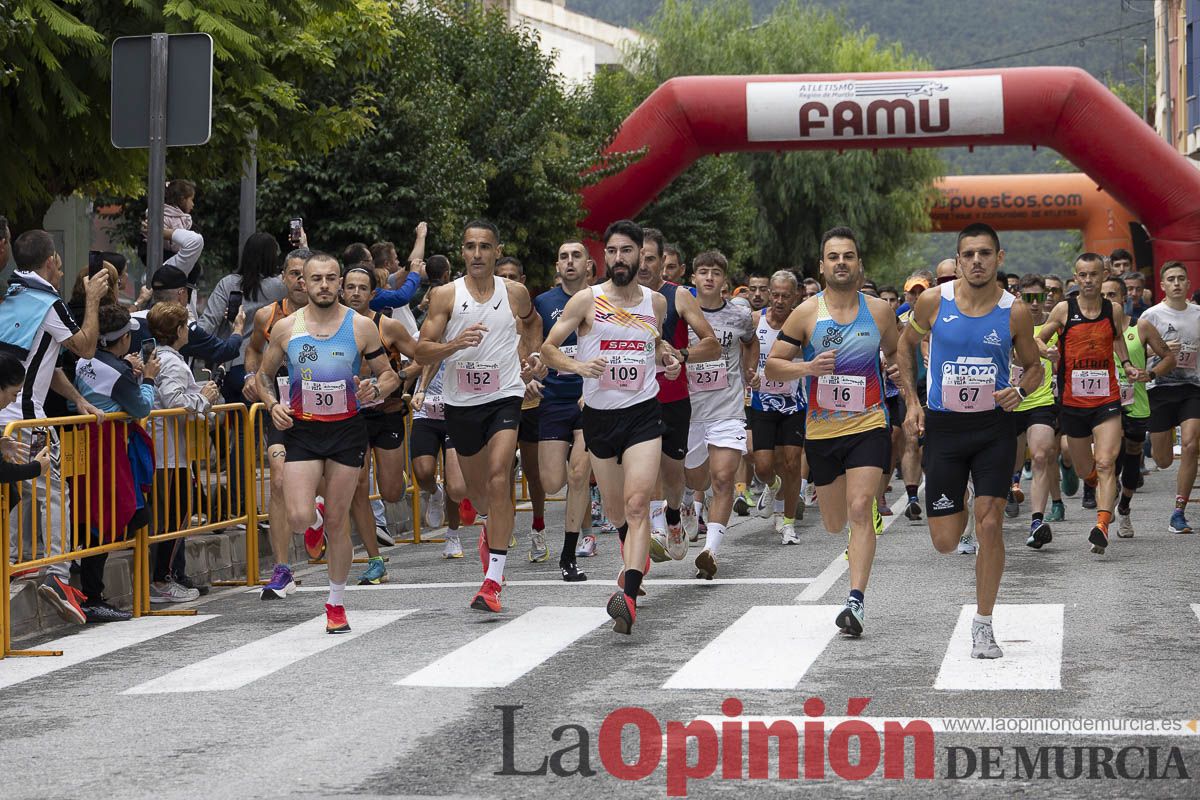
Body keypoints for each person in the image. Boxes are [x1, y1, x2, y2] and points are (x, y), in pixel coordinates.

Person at [898, 223, 1043, 659]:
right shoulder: (932, 302)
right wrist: (911, 402)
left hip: (994, 427)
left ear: (999, 258)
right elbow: (905, 348)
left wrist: (1019, 391)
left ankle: (983, 623)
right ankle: (959, 494)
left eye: (985, 253)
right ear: (958, 260)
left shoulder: (1014, 311)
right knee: (945, 540)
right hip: (944, 427)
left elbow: (1033, 367)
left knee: (991, 522)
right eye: (968, 254)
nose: (977, 261)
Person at [766, 226, 909, 638]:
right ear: (822, 265)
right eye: (834, 257)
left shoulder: (880, 311)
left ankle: (855, 602)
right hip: (823, 430)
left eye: (848, 256)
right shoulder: (806, 313)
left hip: (869, 423)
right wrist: (807, 368)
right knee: (834, 522)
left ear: (859, 264)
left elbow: (895, 353)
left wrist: (899, 379)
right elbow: (773, 364)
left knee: (861, 507)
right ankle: (853, 529)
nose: (841, 263)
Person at [541, 219, 682, 634]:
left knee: (639, 505)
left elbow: (653, 346)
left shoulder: (656, 303)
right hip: (599, 418)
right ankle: (635, 555)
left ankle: (630, 595)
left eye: (627, 251)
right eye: (612, 252)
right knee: (619, 511)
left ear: (641, 254)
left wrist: (667, 360)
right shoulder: (587, 300)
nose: (619, 259)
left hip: (642, 413)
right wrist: (578, 365)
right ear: (604, 257)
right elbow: (549, 349)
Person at [256, 252, 401, 633]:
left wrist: (375, 389)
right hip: (302, 429)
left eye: (330, 278)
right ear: (303, 282)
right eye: (315, 278)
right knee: (300, 515)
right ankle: (313, 517)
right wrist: (272, 405)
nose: (323, 285)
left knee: (339, 520)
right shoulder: (287, 328)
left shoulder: (361, 327)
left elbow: (389, 376)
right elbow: (262, 375)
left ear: (339, 283)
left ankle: (335, 604)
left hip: (346, 430)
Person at [415, 220, 544, 614]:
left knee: (499, 475)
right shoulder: (445, 296)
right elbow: (422, 351)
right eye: (470, 247)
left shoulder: (515, 292)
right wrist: (455, 343)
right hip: (461, 403)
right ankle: (490, 527)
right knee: (475, 494)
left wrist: (532, 356)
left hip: (505, 395)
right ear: (462, 252)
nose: (476, 254)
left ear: (496, 250)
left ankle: (493, 580)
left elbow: (532, 322)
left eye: (484, 247)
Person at [0, 229, 110, 625]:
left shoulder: (11, 297)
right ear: (49, 263)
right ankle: (59, 574)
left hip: (6, 415)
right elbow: (84, 346)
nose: (62, 274)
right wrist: (93, 300)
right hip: (27, 418)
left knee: (14, 491)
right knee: (54, 492)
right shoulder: (48, 301)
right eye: (60, 266)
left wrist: (78, 399)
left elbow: (43, 360)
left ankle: (12, 561)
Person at [1038, 253, 1140, 554]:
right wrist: (1047, 352)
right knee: (1086, 470)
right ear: (1075, 276)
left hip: (1107, 399)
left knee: (1107, 462)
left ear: (1103, 275)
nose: (1088, 280)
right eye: (1082, 275)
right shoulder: (1063, 309)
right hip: (1072, 402)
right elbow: (1037, 339)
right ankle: (1098, 486)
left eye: (1094, 274)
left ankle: (1102, 525)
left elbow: (1118, 338)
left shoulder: (1113, 308)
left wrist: (1126, 363)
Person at [636, 227, 718, 564]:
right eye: (635, 256)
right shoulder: (612, 299)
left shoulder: (678, 296)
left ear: (662, 262)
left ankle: (673, 515)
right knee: (645, 468)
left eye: (650, 258)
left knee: (674, 475)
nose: (641, 264)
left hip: (673, 399)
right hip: (634, 400)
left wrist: (681, 356)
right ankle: (649, 538)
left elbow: (711, 344)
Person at [72, 303, 158, 621]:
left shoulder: (83, 361)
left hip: (85, 442)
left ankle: (92, 589)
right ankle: (93, 595)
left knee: (95, 516)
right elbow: (141, 408)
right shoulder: (118, 371)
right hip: (107, 449)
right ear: (121, 340)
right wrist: (147, 379)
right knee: (108, 519)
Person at [341, 265, 418, 584]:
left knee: (390, 493)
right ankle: (374, 560)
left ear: (373, 294)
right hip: (351, 416)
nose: (356, 292)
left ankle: (395, 470)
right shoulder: (332, 328)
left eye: (362, 287)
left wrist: (397, 379)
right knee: (358, 485)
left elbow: (422, 358)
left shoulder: (388, 327)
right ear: (342, 291)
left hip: (386, 412)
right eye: (351, 287)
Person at [681, 250, 756, 579]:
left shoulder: (739, 316)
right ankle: (684, 502)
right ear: (693, 278)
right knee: (696, 480)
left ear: (725, 281)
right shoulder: (680, 313)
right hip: (690, 410)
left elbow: (751, 343)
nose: (709, 277)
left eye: (716, 272)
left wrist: (750, 369)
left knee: (724, 478)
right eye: (703, 272)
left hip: (727, 407)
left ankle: (710, 551)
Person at [243, 249, 311, 600]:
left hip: (328, 414)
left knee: (331, 483)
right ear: (283, 278)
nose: (300, 281)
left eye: (306, 274)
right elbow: (254, 352)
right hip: (283, 410)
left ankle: (319, 516)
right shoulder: (267, 316)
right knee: (279, 479)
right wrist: (251, 377)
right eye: (294, 274)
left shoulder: (336, 317)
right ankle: (283, 569)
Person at [146, 302, 220, 603]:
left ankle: (168, 575)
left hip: (168, 450)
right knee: (174, 517)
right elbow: (174, 400)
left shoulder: (159, 357)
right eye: (185, 327)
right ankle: (162, 579)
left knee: (172, 515)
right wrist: (203, 398)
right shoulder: (172, 363)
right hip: (167, 453)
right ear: (178, 331)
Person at [533, 240, 596, 579]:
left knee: (578, 475)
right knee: (553, 481)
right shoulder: (543, 302)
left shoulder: (601, 299)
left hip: (590, 398)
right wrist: (530, 370)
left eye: (576, 256)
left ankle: (568, 555)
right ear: (556, 266)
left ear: (588, 264)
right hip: (553, 400)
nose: (570, 262)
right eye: (563, 257)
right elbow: (532, 348)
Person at [1102, 277, 1175, 538]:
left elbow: (1168, 357)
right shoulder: (1093, 328)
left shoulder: (1140, 326)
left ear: (1124, 299)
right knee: (1109, 458)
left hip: (1136, 401)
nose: (1107, 300)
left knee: (1132, 455)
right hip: (1105, 402)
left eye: (1112, 295)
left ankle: (1124, 507)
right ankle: (1105, 509)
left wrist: (1151, 373)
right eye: (1103, 295)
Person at [495, 256, 550, 561]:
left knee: (533, 470)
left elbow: (536, 354)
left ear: (523, 280)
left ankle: (539, 527)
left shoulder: (532, 316)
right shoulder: (486, 311)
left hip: (528, 401)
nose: (507, 282)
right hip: (497, 400)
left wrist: (530, 372)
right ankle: (504, 525)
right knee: (500, 469)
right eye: (502, 276)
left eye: (513, 277)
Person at [1140, 261, 1200, 534]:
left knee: (1190, 444)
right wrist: (1160, 353)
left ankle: (1179, 511)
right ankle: (1153, 446)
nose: (1176, 283)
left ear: (1188, 284)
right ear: (1162, 286)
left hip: (1192, 388)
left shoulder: (1198, 314)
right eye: (1171, 279)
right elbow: (1135, 356)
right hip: (1160, 390)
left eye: (1181, 279)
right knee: (1163, 460)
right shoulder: (1150, 316)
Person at [747, 271, 807, 543]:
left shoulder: (801, 322)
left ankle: (789, 523)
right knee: (762, 466)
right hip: (762, 401)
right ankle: (772, 485)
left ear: (795, 296)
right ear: (769, 293)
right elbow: (744, 353)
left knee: (793, 463)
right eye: (776, 294)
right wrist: (750, 374)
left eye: (786, 295)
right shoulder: (756, 320)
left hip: (794, 403)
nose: (780, 300)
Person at [1007, 274, 1065, 547]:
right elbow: (1019, 355)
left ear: (1047, 298)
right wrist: (1042, 352)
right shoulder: (1008, 323)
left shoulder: (1053, 325)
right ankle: (1011, 484)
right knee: (1013, 460)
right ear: (1019, 297)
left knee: (1042, 455)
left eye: (1039, 297)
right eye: (1028, 297)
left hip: (1040, 401)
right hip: (1010, 400)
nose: (1033, 303)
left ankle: (1037, 522)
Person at [409, 360, 469, 557]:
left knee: (455, 484)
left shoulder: (462, 336)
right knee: (423, 473)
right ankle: (435, 492)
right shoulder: (421, 338)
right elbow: (411, 366)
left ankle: (452, 535)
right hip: (425, 413)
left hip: (455, 412)